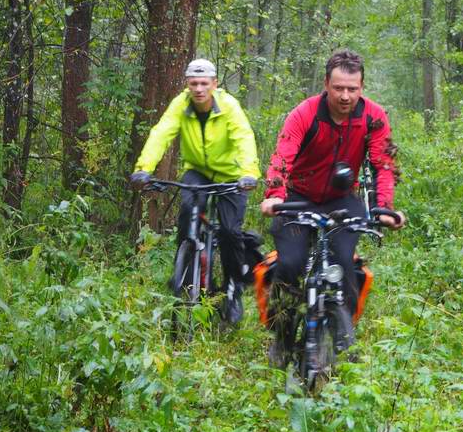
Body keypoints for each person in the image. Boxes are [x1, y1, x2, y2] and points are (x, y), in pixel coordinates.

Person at [260, 49, 405, 366]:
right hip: (298, 197)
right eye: (338, 87)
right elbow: (283, 156)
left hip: (341, 200)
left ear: (362, 87)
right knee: (290, 265)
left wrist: (384, 208)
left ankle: (342, 338)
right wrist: (275, 194)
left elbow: (383, 164)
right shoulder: (304, 114)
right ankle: (282, 338)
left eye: (352, 89)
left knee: (344, 266)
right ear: (326, 83)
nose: (345, 95)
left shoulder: (374, 116)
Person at [131, 58, 260, 324]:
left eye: (204, 83)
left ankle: (232, 291)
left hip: (231, 176)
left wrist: (249, 173)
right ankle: (186, 261)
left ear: (214, 84)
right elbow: (161, 133)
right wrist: (144, 167)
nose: (199, 89)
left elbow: (244, 137)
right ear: (187, 85)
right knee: (188, 210)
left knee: (229, 232)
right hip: (198, 172)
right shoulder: (181, 104)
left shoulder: (228, 107)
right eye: (194, 83)